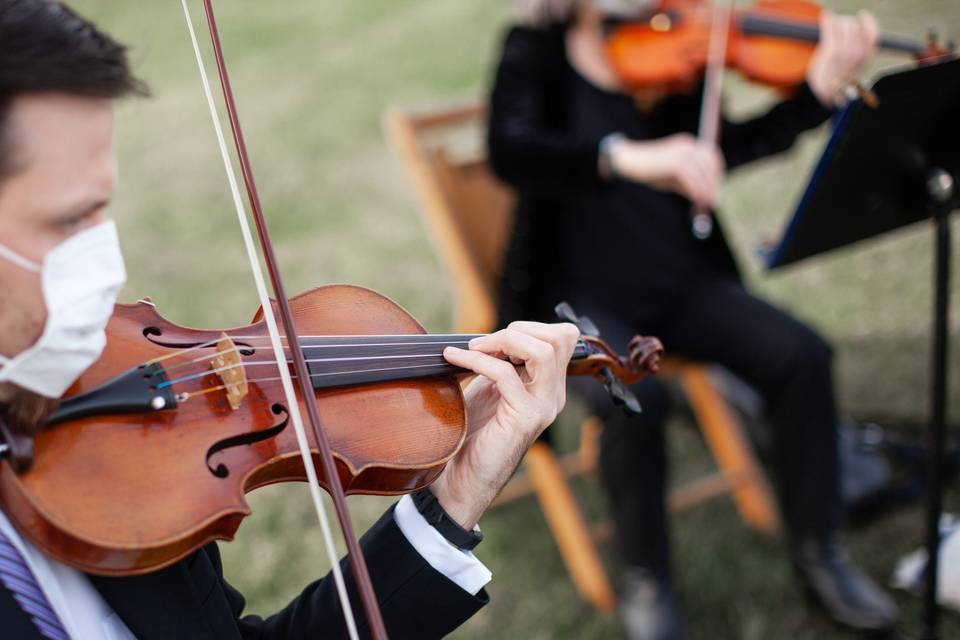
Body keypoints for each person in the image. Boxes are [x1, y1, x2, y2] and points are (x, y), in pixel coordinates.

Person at [0, 1, 581, 638]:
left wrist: (454, 497)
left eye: (102, 211)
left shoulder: (113, 440)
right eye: (67, 220)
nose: (104, 263)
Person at [488, 0, 898, 637]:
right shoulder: (533, 51)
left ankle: (821, 550)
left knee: (802, 354)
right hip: (582, 296)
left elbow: (724, 148)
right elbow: (510, 150)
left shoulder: (685, 41)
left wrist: (814, 97)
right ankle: (648, 579)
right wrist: (627, 157)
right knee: (630, 393)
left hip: (683, 282)